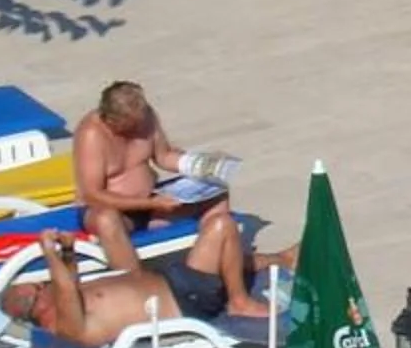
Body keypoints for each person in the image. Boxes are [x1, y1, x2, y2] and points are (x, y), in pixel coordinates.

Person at [69, 81, 283, 320]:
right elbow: (92, 193)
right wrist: (152, 205)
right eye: (132, 125)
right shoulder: (92, 135)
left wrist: (196, 165)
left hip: (151, 202)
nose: (140, 128)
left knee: (216, 191)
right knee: (107, 220)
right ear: (112, 121)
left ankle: (221, 279)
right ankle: (139, 291)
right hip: (110, 210)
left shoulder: (145, 116)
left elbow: (163, 156)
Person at [1, 233, 187, 348]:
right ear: (38, 306)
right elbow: (66, 288)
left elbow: (70, 284)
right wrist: (48, 252)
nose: (45, 284)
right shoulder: (62, 326)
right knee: (215, 226)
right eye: (39, 286)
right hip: (185, 299)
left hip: (173, 281)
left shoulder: (62, 308)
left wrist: (67, 250)